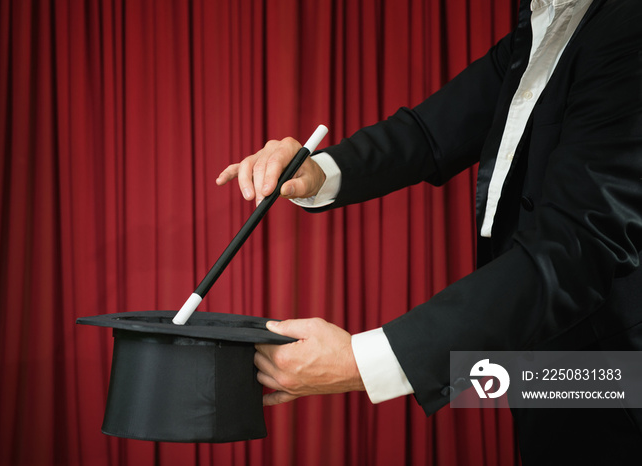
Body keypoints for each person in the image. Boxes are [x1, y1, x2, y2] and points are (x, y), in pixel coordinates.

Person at [216, 0, 642, 463]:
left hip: (620, 374)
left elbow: (577, 248)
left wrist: (362, 361)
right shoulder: (545, 22)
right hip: (543, 365)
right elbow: (428, 135)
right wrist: (317, 171)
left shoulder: (628, 24)